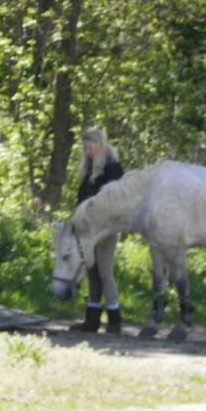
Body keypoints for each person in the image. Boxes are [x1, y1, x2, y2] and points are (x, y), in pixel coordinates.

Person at [70, 126, 124, 334]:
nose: (87, 152)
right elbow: (81, 199)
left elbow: (115, 201)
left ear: (100, 145)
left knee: (105, 271)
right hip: (88, 230)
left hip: (107, 228)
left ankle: (114, 319)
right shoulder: (88, 168)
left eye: (90, 147)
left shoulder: (113, 168)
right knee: (91, 272)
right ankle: (91, 319)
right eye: (84, 148)